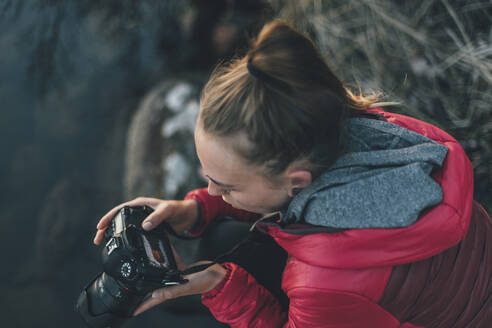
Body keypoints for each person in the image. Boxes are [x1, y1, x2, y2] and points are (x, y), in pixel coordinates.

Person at [93, 20, 492, 327]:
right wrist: (196, 210)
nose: (211, 189)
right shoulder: (373, 136)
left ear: (297, 181)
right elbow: (278, 194)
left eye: (225, 185)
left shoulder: (323, 284)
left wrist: (219, 286)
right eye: (208, 177)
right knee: (230, 236)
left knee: (233, 249)